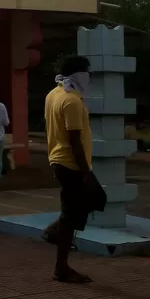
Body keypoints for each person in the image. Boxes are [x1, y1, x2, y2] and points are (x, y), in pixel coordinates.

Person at [42, 56, 106, 284]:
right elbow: (74, 140)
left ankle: (56, 230)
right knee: (82, 206)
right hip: (71, 164)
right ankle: (61, 265)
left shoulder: (54, 94)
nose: (89, 77)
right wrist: (86, 173)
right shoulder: (72, 101)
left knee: (91, 202)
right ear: (79, 74)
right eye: (87, 73)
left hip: (60, 161)